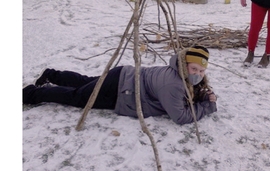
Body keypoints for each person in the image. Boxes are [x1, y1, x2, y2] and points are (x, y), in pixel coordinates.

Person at [22, 46, 217, 126]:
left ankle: (51, 75)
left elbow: (185, 98)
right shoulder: (173, 85)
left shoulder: (176, 72)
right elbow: (180, 117)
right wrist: (206, 106)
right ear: (184, 65)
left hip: (123, 76)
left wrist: (201, 97)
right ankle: (31, 94)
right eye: (194, 69)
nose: (198, 75)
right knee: (78, 96)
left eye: (201, 71)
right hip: (121, 91)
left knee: (85, 81)